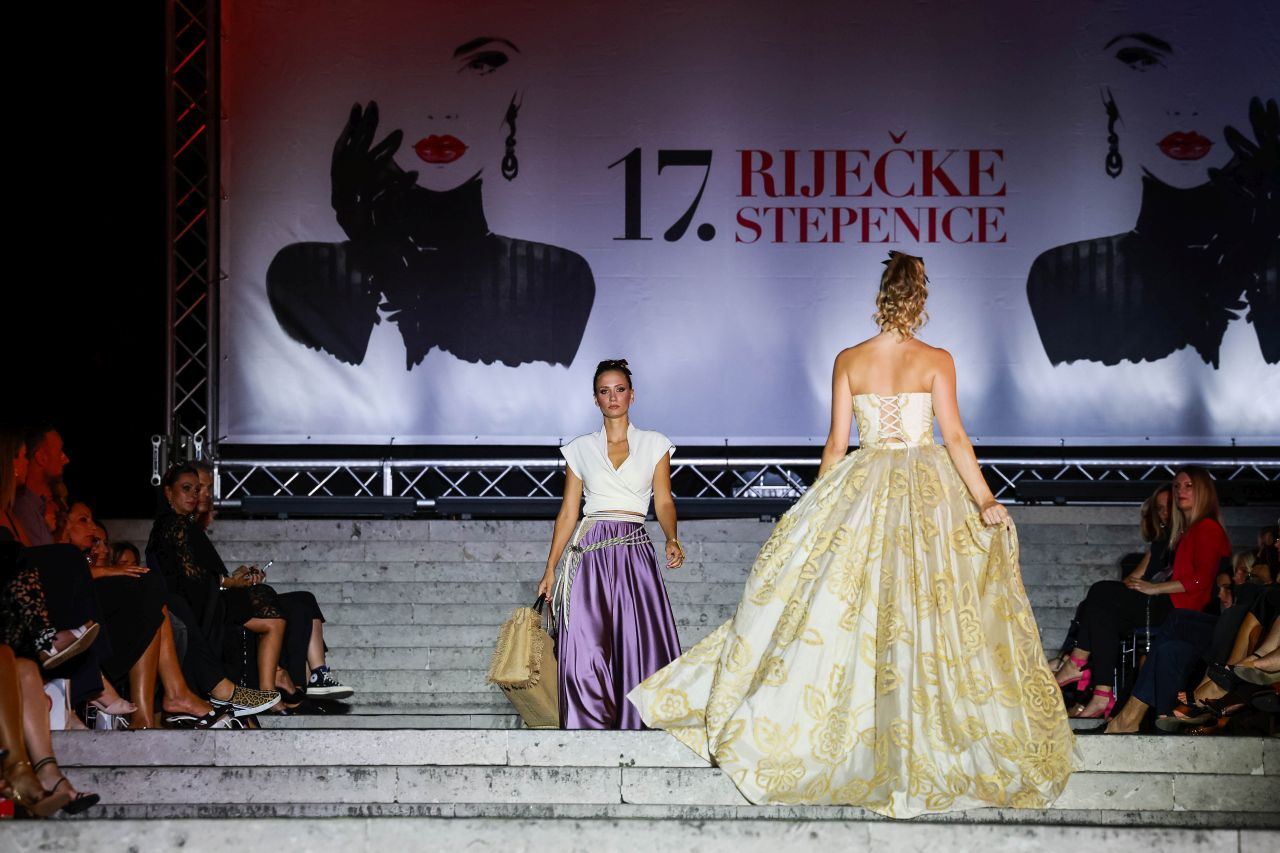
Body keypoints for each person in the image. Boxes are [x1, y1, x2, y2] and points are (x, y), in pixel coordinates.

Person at [629, 253, 1077, 818]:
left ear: (881, 295)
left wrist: (819, 508)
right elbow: (956, 437)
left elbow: (837, 447)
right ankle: (911, 734)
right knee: (926, 608)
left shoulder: (849, 359)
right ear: (920, 298)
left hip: (863, 488)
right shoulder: (937, 359)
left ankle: (863, 733)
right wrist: (986, 499)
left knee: (855, 609)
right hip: (927, 493)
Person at [267, 35, 595, 369]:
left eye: (481, 67)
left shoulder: (556, 281)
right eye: (410, 68)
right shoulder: (302, 275)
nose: (442, 109)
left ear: (516, 99)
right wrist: (376, 260)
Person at [536, 359, 683, 729]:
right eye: (605, 391)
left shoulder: (654, 444)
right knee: (585, 646)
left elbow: (664, 501)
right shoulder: (580, 449)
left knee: (636, 642)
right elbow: (568, 512)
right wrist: (551, 568)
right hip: (588, 554)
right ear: (595, 399)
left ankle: (637, 724)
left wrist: (672, 537)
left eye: (619, 390)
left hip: (633, 551)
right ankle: (587, 728)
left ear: (632, 396)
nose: (613, 397)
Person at [1054, 466, 1231, 718]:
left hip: (1183, 611)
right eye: (1177, 486)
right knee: (1101, 610)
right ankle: (1101, 693)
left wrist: (1154, 588)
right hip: (1171, 604)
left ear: (1203, 490)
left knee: (1101, 592)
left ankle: (1076, 664)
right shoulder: (1185, 531)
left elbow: (1200, 580)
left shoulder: (1207, 528)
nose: (1180, 491)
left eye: (1188, 486)